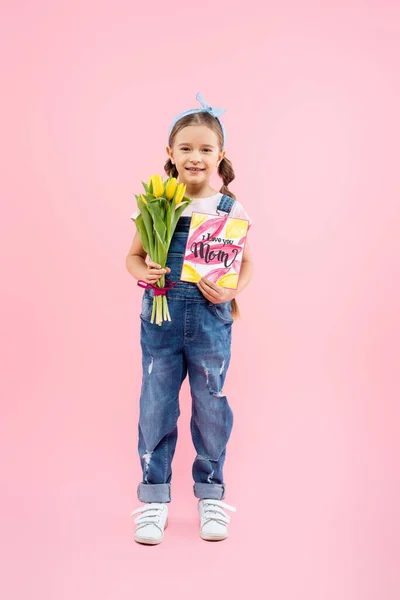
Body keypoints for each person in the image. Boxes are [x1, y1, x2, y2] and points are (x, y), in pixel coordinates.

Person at [126, 92, 254, 544]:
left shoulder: (228, 210)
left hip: (210, 322)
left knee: (211, 405)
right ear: (170, 154)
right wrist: (148, 272)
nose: (195, 157)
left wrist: (232, 288)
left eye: (205, 149)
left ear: (220, 155)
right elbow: (134, 257)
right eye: (186, 148)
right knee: (156, 406)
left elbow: (247, 264)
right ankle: (154, 498)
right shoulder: (157, 202)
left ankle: (212, 493)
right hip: (159, 322)